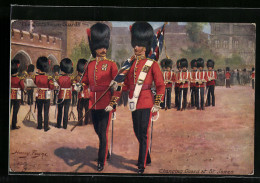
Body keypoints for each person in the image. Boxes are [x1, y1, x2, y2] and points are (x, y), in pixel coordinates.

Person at [111, 22, 165, 174]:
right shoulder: (131, 64)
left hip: (147, 101)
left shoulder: (152, 64)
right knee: (137, 130)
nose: (136, 48)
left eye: (139, 45)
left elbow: (161, 85)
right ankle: (146, 155)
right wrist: (118, 89)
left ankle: (141, 164)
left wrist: (157, 103)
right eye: (135, 44)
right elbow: (127, 85)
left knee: (142, 132)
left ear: (146, 46)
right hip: (134, 102)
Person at [80, 23, 119, 172]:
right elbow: (84, 82)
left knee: (103, 133)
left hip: (106, 103)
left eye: (105, 46)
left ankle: (101, 161)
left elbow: (118, 86)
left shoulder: (111, 65)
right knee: (97, 130)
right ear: (94, 47)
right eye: (100, 46)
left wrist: (113, 102)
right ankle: (106, 150)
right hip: (93, 103)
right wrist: (81, 87)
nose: (103, 49)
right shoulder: (89, 66)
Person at [34, 57, 54, 132]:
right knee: (46, 112)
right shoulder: (48, 78)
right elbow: (51, 87)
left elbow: (36, 84)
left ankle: (39, 126)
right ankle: (46, 126)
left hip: (39, 95)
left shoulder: (36, 77)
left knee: (39, 111)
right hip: (46, 96)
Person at [55, 58, 74, 129]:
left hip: (61, 95)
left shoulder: (58, 78)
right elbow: (74, 87)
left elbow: (56, 86)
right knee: (66, 111)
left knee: (60, 111)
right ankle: (65, 125)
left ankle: (58, 124)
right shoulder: (71, 78)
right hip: (68, 96)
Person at [73, 58, 91, 125]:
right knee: (84, 109)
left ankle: (82, 122)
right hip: (85, 95)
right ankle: (84, 122)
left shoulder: (81, 77)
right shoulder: (80, 77)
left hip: (82, 95)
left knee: (81, 109)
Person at [10, 59, 25, 130]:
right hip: (16, 96)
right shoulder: (19, 79)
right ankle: (13, 125)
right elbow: (22, 87)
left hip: (9, 96)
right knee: (15, 112)